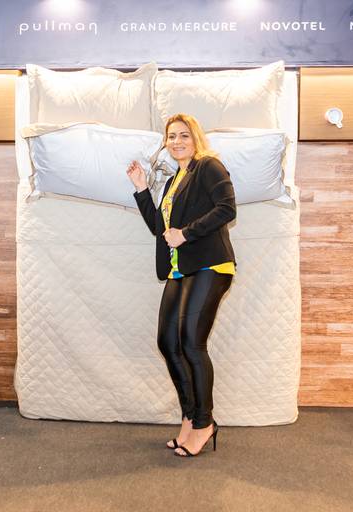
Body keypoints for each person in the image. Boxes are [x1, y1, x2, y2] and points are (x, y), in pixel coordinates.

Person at [126, 113, 236, 457]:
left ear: (195, 138)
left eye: (183, 135)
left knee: (191, 343)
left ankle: (204, 423)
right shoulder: (174, 180)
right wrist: (142, 188)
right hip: (179, 270)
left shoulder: (208, 166)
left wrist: (186, 234)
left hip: (210, 265)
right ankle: (189, 418)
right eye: (171, 136)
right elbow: (160, 229)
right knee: (168, 342)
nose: (176, 141)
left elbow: (227, 209)